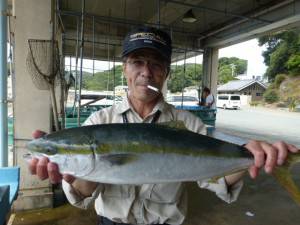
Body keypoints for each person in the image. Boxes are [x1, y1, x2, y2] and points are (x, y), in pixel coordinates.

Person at [28, 26, 299, 225]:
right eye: (137, 62)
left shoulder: (188, 123)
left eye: (156, 64)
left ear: (166, 73)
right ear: (124, 68)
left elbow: (216, 181)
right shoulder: (99, 122)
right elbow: (85, 192)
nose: (146, 71)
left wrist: (251, 158)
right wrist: (63, 165)